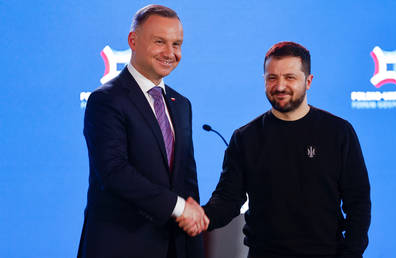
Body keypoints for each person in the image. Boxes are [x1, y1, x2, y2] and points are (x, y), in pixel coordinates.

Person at [180, 41, 371, 258]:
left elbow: (358, 203)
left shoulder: (339, 132)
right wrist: (201, 215)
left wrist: (351, 253)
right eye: (272, 78)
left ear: (308, 81)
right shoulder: (245, 138)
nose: (280, 86)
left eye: (290, 77)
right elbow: (228, 200)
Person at [77, 5, 208, 258]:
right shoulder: (106, 100)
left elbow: (186, 182)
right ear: (133, 41)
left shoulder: (181, 104)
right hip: (120, 246)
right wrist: (180, 208)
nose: (170, 53)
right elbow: (114, 173)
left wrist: (193, 233)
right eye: (160, 42)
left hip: (174, 247)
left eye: (176, 44)